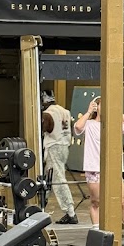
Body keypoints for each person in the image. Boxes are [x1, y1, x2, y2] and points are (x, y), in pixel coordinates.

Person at [74, 97, 124, 240]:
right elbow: (78, 127)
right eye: (102, 105)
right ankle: (96, 230)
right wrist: (89, 112)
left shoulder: (114, 124)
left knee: (121, 201)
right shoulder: (89, 124)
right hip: (94, 168)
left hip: (113, 169)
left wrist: (118, 112)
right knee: (96, 202)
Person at [41, 89, 77, 225]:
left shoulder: (48, 113)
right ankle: (41, 205)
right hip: (64, 146)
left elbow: (46, 128)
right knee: (48, 178)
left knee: (57, 179)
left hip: (54, 146)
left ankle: (70, 211)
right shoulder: (65, 111)